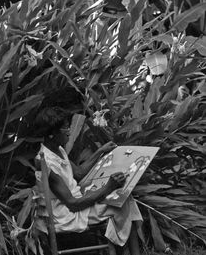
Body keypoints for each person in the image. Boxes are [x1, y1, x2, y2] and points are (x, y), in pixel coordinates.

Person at [34, 107, 142, 255]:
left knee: (125, 197)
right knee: (121, 204)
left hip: (75, 203)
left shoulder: (57, 149)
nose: (69, 131)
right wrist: (108, 187)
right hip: (65, 215)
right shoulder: (45, 160)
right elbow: (72, 204)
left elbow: (78, 173)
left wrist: (100, 151)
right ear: (52, 134)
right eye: (66, 127)